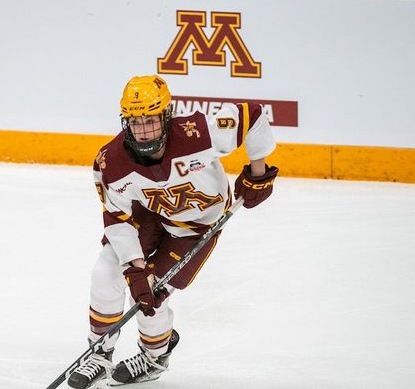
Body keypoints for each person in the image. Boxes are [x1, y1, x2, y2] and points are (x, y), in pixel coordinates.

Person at [67, 75, 278, 388]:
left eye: (151, 121)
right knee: (106, 270)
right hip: (150, 215)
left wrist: (258, 173)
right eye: (135, 123)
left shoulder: (198, 133)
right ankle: (100, 353)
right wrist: (134, 267)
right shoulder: (110, 162)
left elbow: (255, 115)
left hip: (196, 227)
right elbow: (116, 217)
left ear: (166, 116)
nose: (143, 131)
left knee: (154, 295)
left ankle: (155, 356)